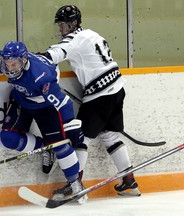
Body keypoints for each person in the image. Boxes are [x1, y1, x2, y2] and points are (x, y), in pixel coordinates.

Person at [0, 41, 87, 201]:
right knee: (8, 138)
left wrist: (71, 126)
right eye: (7, 64)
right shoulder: (4, 60)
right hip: (21, 101)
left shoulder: (40, 76)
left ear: (24, 60)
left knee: (61, 147)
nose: (10, 68)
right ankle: (46, 148)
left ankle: (76, 185)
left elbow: (64, 103)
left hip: (45, 106)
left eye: (14, 64)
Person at [39, 5, 141, 197]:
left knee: (80, 138)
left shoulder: (73, 39)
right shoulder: (91, 34)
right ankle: (129, 179)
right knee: (109, 136)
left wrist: (33, 60)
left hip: (99, 96)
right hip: (117, 89)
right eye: (59, 25)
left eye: (63, 24)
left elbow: (52, 56)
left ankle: (74, 184)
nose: (60, 29)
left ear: (74, 23)